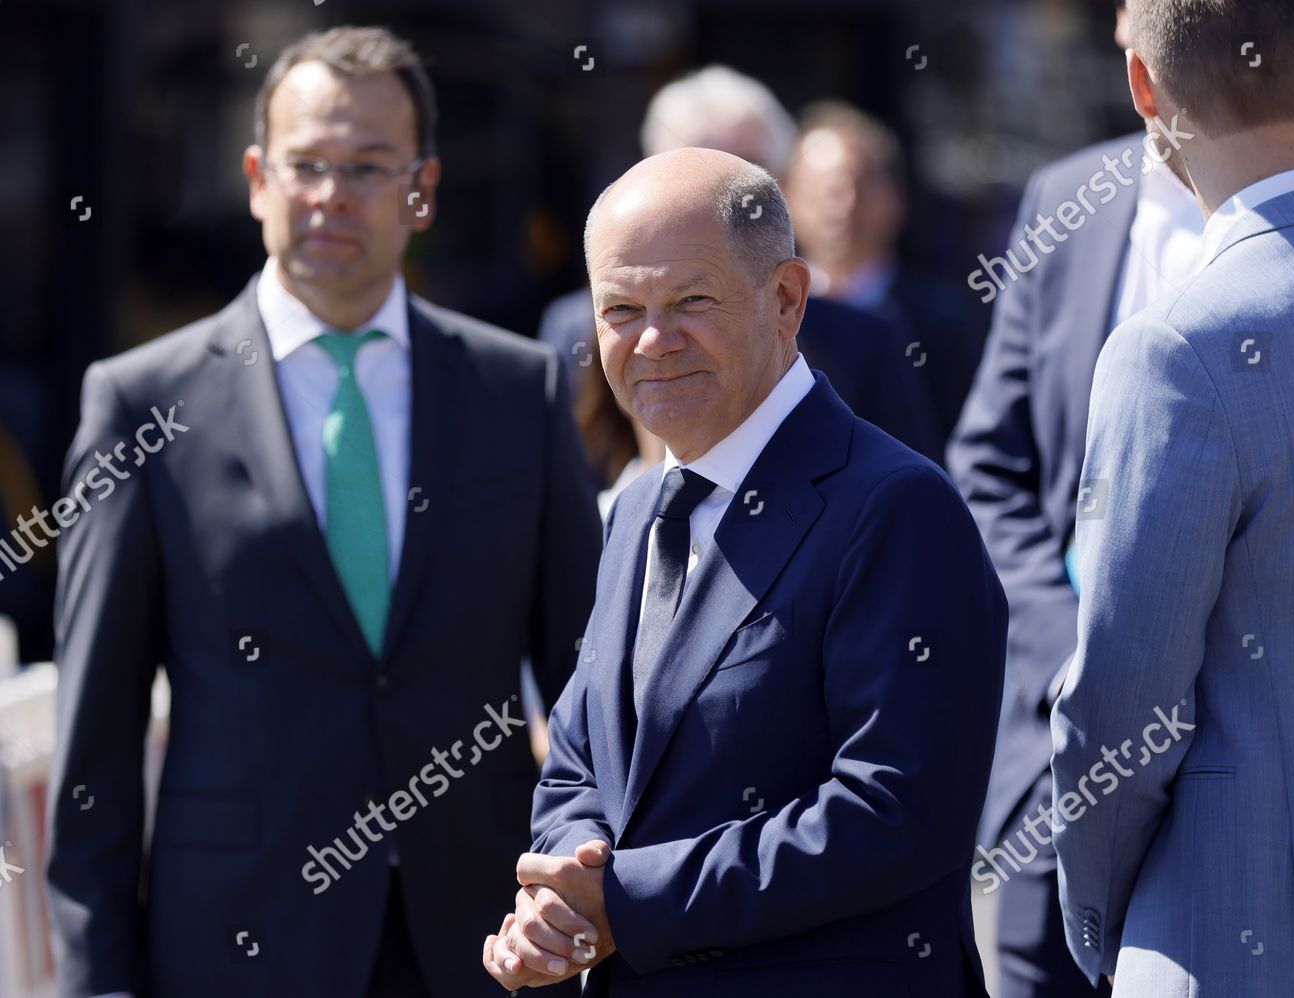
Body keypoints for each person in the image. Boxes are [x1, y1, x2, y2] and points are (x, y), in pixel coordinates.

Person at [46, 27, 600, 998]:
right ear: (258, 177)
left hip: (486, 942)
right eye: (306, 165)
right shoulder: (142, 404)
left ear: (420, 188)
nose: (331, 195)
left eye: (368, 166)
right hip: (237, 942)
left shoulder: (519, 390)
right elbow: (95, 741)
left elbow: (587, 696)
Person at [950, 2, 1294, 993]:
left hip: (1212, 912)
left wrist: (1105, 915)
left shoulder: (1168, 348)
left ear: (1143, 85)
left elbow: (1119, 701)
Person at [482, 148, 1008, 996]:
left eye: (692, 300)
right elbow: (581, 762)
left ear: (787, 300)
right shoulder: (636, 512)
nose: (653, 340)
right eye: (620, 308)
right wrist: (563, 901)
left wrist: (627, 901)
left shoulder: (894, 507)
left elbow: (899, 811)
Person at [538, 66, 944, 484]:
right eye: (624, 309)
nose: (656, 341)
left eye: (744, 180)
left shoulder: (864, 340)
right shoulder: (580, 330)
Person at [785, 100, 990, 442]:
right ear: (788, 200)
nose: (844, 205)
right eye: (826, 190)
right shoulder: (771, 324)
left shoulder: (948, 324)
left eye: (861, 186)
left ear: (897, 198)